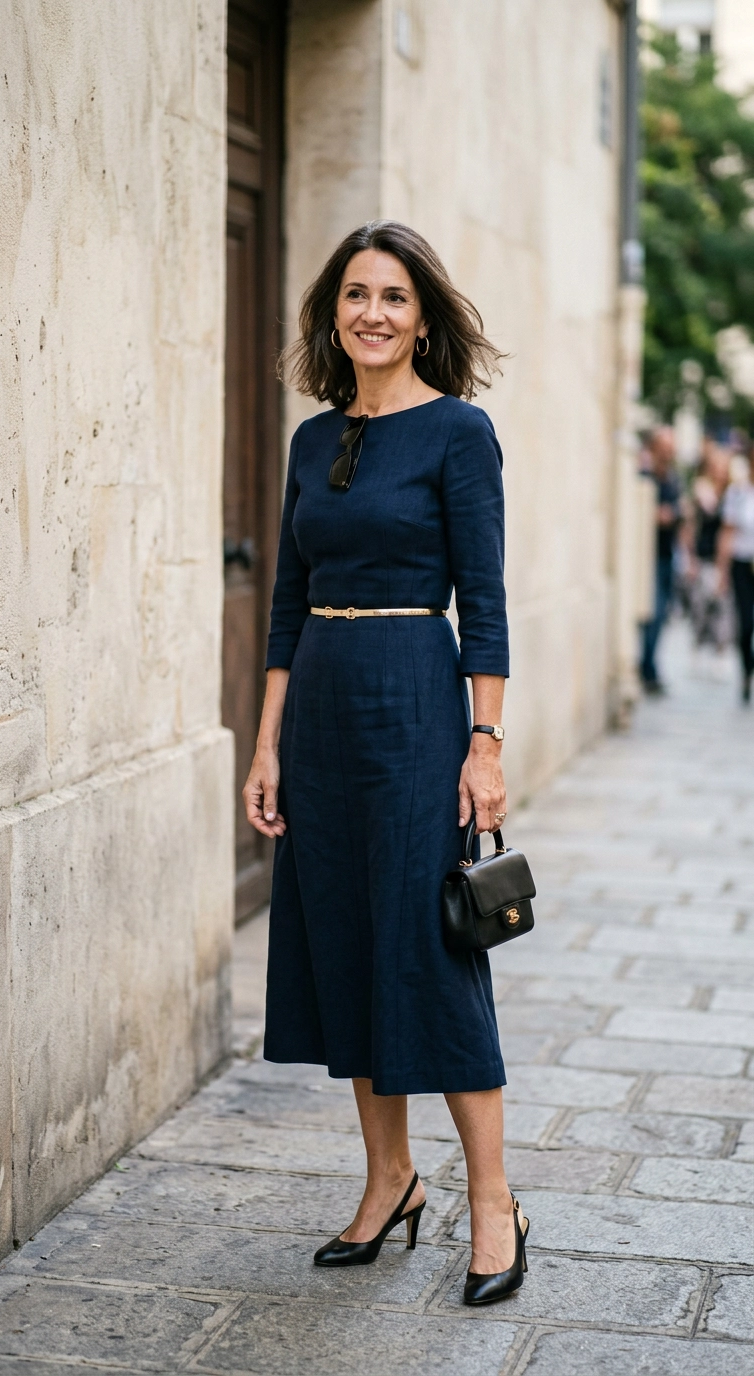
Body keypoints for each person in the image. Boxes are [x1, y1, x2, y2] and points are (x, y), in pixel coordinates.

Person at [243, 221, 529, 1306]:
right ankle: (390, 1179)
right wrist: (267, 742)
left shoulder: (460, 434)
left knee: (429, 949)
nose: (372, 312)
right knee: (349, 944)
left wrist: (485, 742)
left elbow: (487, 602)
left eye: (394, 296)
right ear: (334, 313)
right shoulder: (313, 442)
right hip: (319, 707)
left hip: (415, 696)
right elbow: (284, 606)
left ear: (423, 316)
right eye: (355, 294)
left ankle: (493, 1200)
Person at [639, 426, 682, 694]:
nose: (668, 453)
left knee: (662, 613)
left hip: (668, 554)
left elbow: (680, 513)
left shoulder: (673, 480)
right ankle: (647, 668)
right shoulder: (644, 477)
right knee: (651, 614)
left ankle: (651, 665)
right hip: (648, 556)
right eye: (664, 448)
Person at [687, 438, 731, 653]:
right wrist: (691, 559)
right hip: (704, 556)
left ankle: (720, 650)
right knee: (701, 607)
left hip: (724, 559)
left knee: (723, 609)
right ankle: (697, 646)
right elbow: (692, 525)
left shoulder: (732, 494)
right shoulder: (702, 490)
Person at [718, 439, 754, 703]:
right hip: (743, 565)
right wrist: (722, 571)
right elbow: (727, 533)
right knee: (746, 625)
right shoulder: (738, 493)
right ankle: (746, 673)